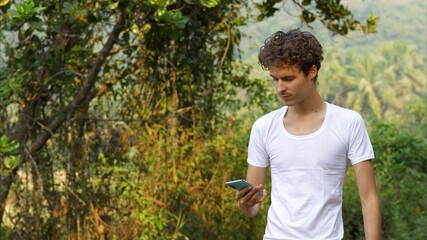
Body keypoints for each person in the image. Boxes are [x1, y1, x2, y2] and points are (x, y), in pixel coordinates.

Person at [235, 29, 381, 240]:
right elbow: (252, 209)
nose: (280, 87)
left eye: (288, 78)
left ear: (312, 71)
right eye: (274, 79)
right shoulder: (263, 127)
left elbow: (369, 199)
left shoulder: (348, 123)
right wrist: (244, 203)